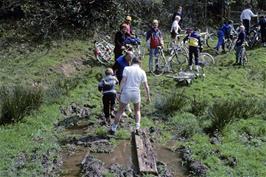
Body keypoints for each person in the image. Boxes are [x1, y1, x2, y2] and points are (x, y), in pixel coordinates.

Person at [109, 57, 150, 135]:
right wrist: (148, 97)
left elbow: (123, 81)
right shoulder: (142, 72)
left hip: (126, 92)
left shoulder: (127, 69)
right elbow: (146, 86)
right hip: (136, 93)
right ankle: (137, 127)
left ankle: (113, 128)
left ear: (132, 62)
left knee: (120, 111)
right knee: (137, 110)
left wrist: (119, 92)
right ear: (139, 63)